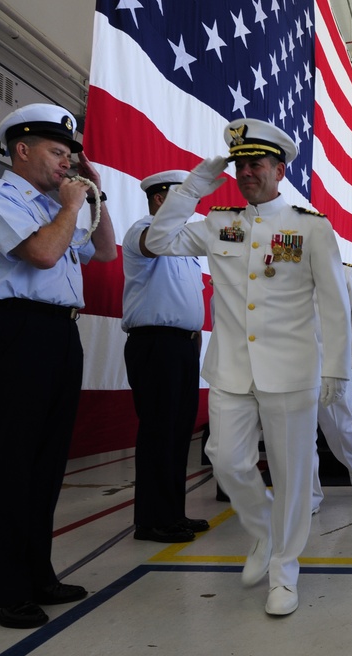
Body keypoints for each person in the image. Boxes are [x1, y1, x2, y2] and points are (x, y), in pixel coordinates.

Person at [145, 118, 352, 616]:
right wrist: (195, 184)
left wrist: (336, 370)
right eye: (239, 163)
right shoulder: (219, 222)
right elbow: (158, 240)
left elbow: (335, 305)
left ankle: (285, 570)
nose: (246, 172)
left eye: (256, 163)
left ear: (280, 169)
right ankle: (262, 531)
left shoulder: (310, 226)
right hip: (232, 369)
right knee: (227, 459)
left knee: (292, 475)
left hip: (292, 370)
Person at [0, 103, 118, 628]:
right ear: (22, 149)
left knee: (48, 463)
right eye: (57, 152)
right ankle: (4, 591)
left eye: (71, 154)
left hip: (58, 334)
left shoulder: (62, 204)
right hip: (16, 332)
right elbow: (44, 255)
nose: (66, 163)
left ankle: (38, 575)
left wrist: (94, 193)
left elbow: (105, 251)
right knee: (11, 466)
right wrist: (71, 206)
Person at [122, 170, 208, 543]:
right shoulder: (142, 233)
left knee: (178, 433)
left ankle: (173, 513)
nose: (192, 207)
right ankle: (151, 520)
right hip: (156, 343)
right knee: (159, 432)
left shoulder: (183, 244)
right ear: (161, 200)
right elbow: (153, 244)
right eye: (184, 199)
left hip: (184, 346)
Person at [312, 262, 352, 513]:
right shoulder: (287, 271)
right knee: (300, 434)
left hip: (334, 363)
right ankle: (310, 495)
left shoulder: (345, 272)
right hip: (294, 363)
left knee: (340, 427)